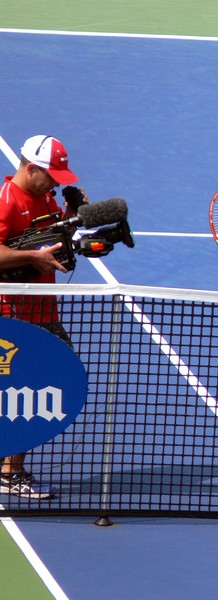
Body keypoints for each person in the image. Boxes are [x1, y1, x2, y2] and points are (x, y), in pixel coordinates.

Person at [0, 134, 84, 500]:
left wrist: (75, 218)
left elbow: (52, 240)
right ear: (30, 168)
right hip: (13, 314)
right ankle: (10, 472)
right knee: (26, 389)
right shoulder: (6, 201)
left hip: (43, 308)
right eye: (50, 175)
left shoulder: (45, 197)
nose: (54, 183)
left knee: (46, 383)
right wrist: (32, 259)